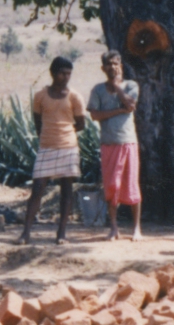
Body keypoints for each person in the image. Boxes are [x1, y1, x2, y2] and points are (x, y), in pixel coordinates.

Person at [23, 57, 87, 244]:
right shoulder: (40, 96)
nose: (66, 77)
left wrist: (64, 132)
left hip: (68, 147)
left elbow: (81, 124)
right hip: (46, 147)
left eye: (69, 73)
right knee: (37, 189)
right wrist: (47, 136)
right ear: (52, 73)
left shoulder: (75, 97)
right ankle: (25, 233)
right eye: (62, 73)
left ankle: (61, 233)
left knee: (66, 190)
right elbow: (37, 122)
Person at [87, 50, 142, 241]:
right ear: (103, 68)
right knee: (111, 186)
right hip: (108, 144)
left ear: (121, 66)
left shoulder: (131, 85)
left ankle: (136, 228)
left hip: (128, 142)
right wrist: (118, 110)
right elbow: (95, 115)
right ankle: (114, 228)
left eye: (115, 63)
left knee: (132, 185)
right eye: (108, 64)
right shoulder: (97, 90)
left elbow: (130, 105)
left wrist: (117, 86)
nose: (112, 67)